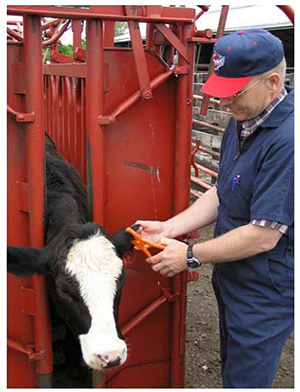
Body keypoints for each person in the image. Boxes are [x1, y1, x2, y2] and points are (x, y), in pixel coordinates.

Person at [136, 29, 294, 388]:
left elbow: (264, 235)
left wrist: (190, 255)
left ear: (272, 82)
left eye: (233, 93)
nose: (224, 103)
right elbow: (224, 191)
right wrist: (169, 228)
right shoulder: (244, 120)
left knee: (246, 380)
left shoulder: (288, 141)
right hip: (235, 276)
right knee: (233, 365)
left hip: (266, 289)